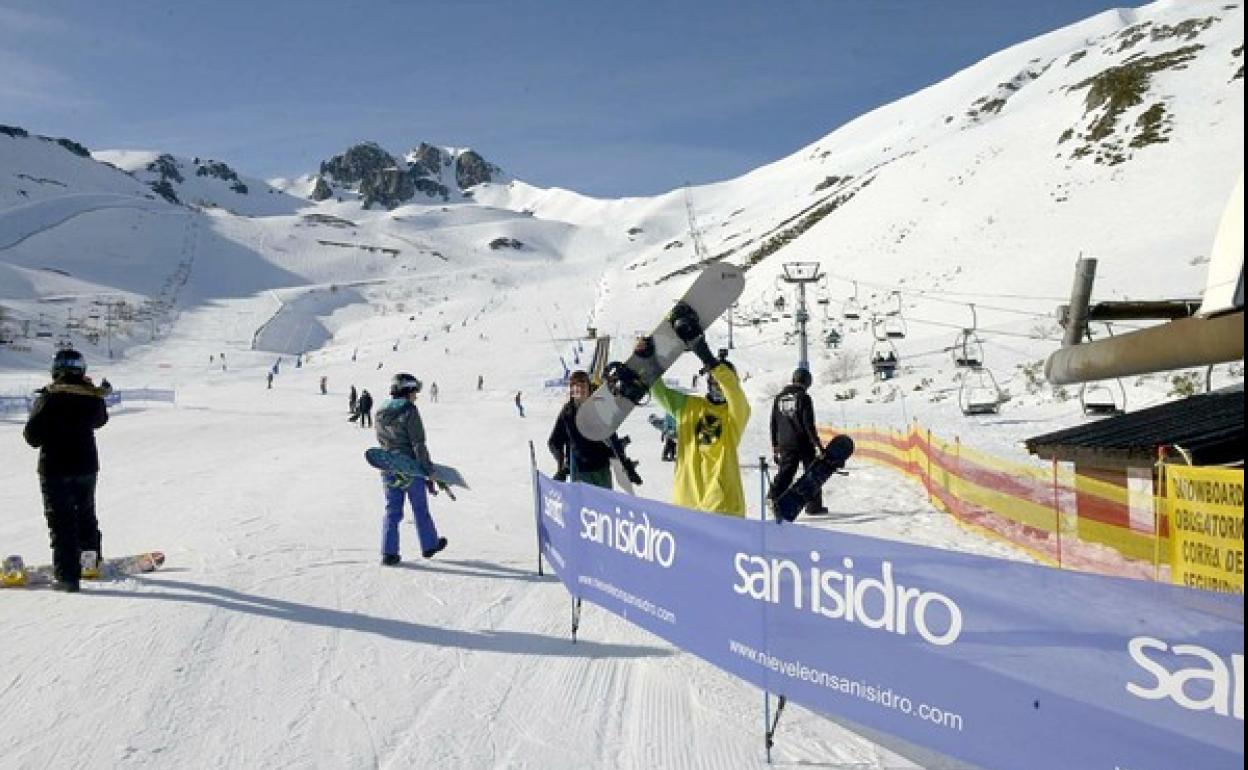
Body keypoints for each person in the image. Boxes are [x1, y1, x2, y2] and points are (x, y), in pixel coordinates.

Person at [22, 349, 111, 592]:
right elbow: (101, 420)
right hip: (85, 466)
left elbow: (32, 436)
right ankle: (89, 563)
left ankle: (68, 576)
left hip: (55, 468)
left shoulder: (50, 397)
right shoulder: (91, 396)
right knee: (85, 515)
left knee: (61, 521)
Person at [650, 315, 750, 516]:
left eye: (722, 382)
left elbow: (733, 391)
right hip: (686, 505)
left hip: (723, 508)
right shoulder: (690, 406)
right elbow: (659, 392)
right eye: (714, 381)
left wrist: (706, 356)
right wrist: (648, 360)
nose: (718, 386)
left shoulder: (735, 415)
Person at [375, 373, 446, 564]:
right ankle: (429, 545)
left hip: (388, 466)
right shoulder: (409, 410)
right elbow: (418, 443)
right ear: (407, 390)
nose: (416, 395)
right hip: (410, 468)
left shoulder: (380, 411)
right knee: (420, 507)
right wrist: (428, 469)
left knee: (392, 509)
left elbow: (381, 440)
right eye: (415, 391)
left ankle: (389, 553)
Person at [548, 371, 641, 489]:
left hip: (601, 470)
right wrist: (562, 467)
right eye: (575, 386)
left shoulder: (599, 408)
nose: (579, 389)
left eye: (582, 385)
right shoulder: (567, 412)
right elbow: (554, 442)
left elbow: (613, 440)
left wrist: (627, 467)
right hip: (580, 472)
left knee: (604, 505)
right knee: (584, 506)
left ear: (588, 387)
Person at [768, 367, 828, 516]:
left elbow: (773, 422)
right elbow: (808, 424)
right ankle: (814, 506)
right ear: (807, 382)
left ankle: (773, 496)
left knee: (786, 473)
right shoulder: (803, 397)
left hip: (785, 443)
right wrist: (818, 444)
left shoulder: (779, 398)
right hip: (803, 442)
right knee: (812, 474)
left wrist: (775, 444)